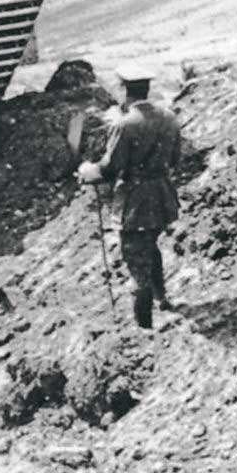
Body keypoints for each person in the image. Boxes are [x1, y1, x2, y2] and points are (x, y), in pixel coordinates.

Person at [78, 65, 181, 329]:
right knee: (150, 244)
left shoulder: (124, 125)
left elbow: (111, 168)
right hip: (163, 196)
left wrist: (89, 171)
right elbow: (175, 159)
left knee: (136, 264)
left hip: (135, 202)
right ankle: (163, 299)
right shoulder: (169, 117)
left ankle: (144, 330)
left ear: (124, 90)